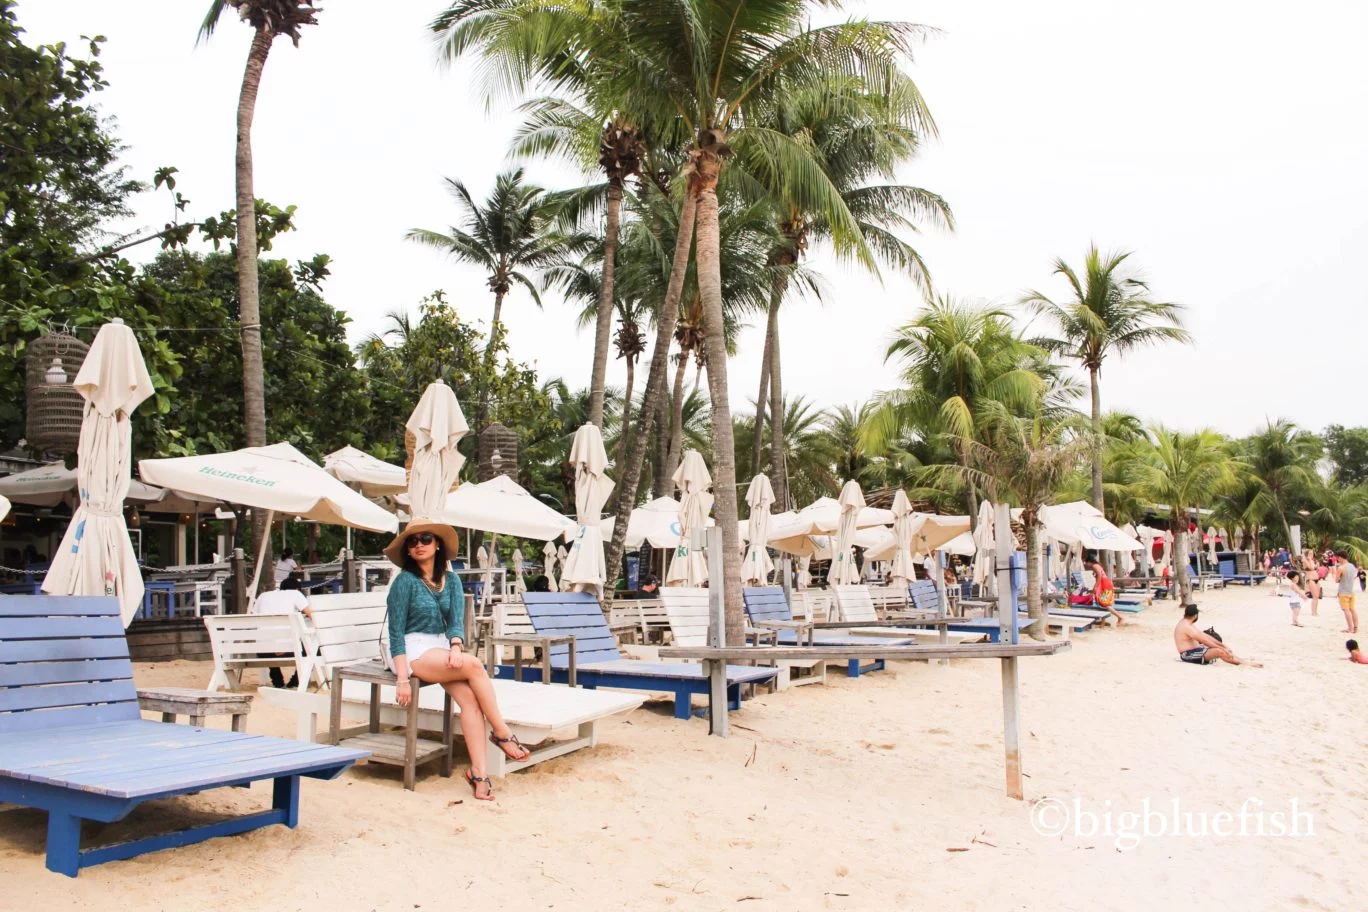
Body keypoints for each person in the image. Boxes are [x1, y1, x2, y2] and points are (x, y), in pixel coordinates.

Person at [383, 519, 529, 800]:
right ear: (408, 551)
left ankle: (479, 773)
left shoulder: (451, 580)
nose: (419, 545)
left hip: (441, 648)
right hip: (411, 651)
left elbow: (455, 623)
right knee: (475, 665)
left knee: (471, 702)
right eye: (412, 542)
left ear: (438, 544)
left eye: (425, 539)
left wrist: (455, 646)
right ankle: (501, 733)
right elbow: (396, 633)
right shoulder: (404, 582)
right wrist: (402, 679)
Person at [251, 577, 312, 688]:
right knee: (312, 649)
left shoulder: (263, 596)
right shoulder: (295, 594)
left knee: (269, 639)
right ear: (297, 589)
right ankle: (296, 681)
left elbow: (253, 618)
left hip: (263, 651)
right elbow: (312, 614)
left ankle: (277, 679)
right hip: (287, 649)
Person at [1174, 605, 1261, 667]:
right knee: (1220, 651)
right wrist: (1222, 648)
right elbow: (1205, 641)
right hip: (1188, 655)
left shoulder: (1188, 623)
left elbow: (1205, 636)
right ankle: (1244, 664)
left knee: (1221, 648)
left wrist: (1223, 645)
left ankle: (1242, 661)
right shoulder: (1186, 626)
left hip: (1197, 651)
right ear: (1196, 615)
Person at [1071, 554, 1124, 626]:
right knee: (1102, 603)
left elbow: (1099, 575)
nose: (1086, 564)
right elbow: (1099, 575)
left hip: (1105, 585)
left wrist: (1095, 587)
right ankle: (1103, 622)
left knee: (1104, 603)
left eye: (1086, 562)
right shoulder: (1098, 566)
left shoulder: (1094, 566)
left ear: (1089, 562)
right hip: (1106, 584)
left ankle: (1120, 617)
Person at [1333, 551, 1359, 634]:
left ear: (1340, 557)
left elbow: (1336, 580)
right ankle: (1355, 627)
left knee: (1346, 610)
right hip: (1351, 591)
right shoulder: (1352, 566)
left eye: (1337, 558)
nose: (1337, 559)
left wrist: (1340, 578)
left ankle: (1350, 628)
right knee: (1352, 609)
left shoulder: (1341, 568)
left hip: (1343, 591)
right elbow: (1354, 577)